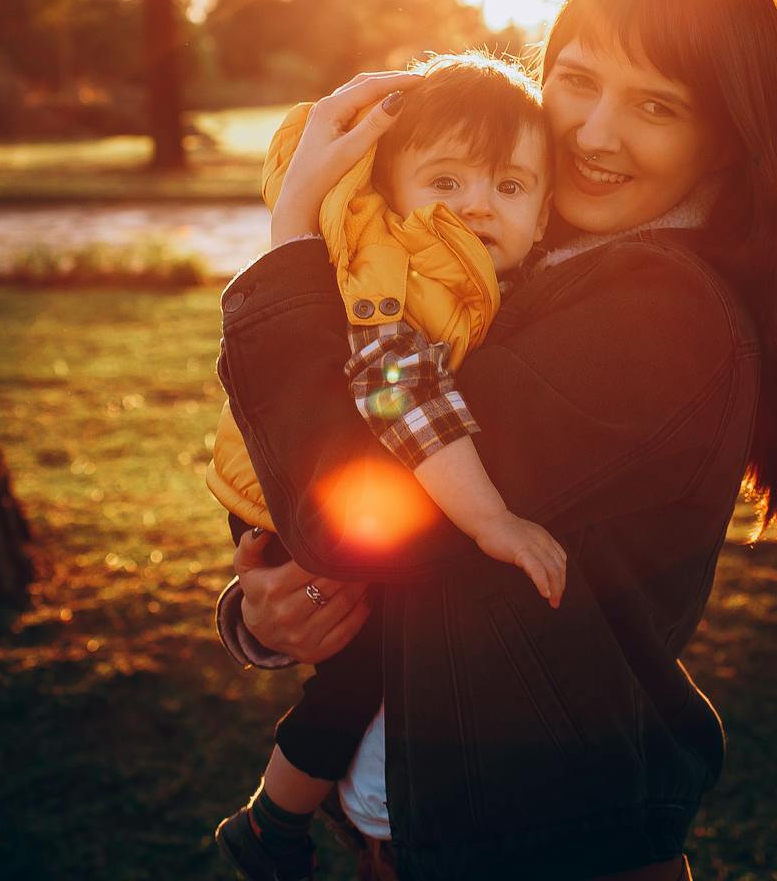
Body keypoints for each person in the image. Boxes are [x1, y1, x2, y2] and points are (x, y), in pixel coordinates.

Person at [214, 0, 777, 880]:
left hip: (540, 849)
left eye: (656, 106)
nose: (595, 133)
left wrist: (295, 241)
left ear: (727, 141)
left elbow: (348, 516)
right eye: (580, 78)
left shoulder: (662, 315)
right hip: (429, 825)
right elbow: (356, 531)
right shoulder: (514, 265)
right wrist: (265, 615)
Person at [206, 54, 570, 881]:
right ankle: (272, 823)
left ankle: (283, 819)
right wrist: (490, 519)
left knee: (369, 658)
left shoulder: (483, 277)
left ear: (545, 216)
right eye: (446, 181)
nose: (478, 205)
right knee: (364, 664)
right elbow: (395, 387)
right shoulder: (403, 274)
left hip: (348, 492)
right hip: (289, 491)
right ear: (392, 189)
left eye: (510, 188)